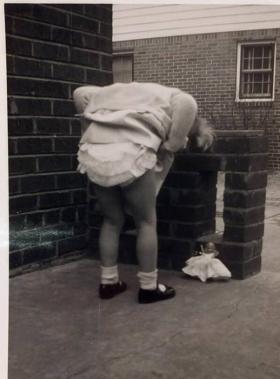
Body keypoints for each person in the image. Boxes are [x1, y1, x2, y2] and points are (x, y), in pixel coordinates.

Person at [73, 81, 214, 304]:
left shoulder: (113, 92)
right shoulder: (175, 98)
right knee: (146, 222)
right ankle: (148, 288)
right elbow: (188, 105)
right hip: (133, 154)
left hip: (95, 154)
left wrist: (86, 130)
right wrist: (173, 144)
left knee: (111, 220)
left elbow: (80, 93)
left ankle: (108, 283)